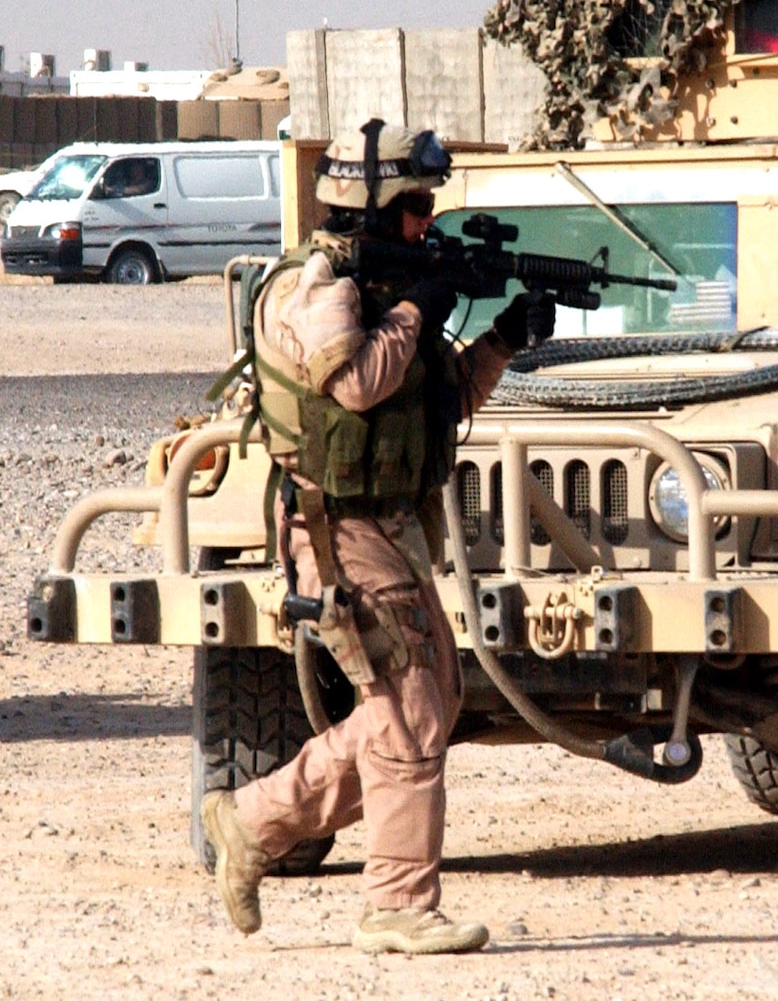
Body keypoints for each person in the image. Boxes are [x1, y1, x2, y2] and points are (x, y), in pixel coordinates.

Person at [200, 118, 553, 955]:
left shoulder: (386, 289)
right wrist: (416, 310)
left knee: (427, 707)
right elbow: (355, 384)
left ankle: (251, 821)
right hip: (335, 528)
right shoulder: (317, 286)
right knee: (408, 711)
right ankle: (396, 905)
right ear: (369, 209)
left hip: (393, 525)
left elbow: (436, 404)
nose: (427, 220)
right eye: (414, 207)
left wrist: (502, 338)